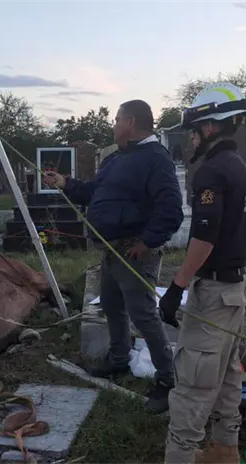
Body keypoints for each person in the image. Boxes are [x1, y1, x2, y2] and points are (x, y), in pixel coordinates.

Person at [42, 99, 183, 413]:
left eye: (117, 119)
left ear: (131, 122)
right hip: (110, 250)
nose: (114, 124)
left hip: (134, 252)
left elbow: (171, 209)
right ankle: (119, 359)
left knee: (144, 315)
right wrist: (65, 183)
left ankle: (168, 378)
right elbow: (95, 192)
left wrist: (146, 243)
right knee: (111, 305)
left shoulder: (155, 159)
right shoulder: (117, 158)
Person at [157, 82, 246, 464]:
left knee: (194, 384)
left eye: (192, 131)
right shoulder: (240, 167)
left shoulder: (211, 172)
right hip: (235, 288)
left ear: (210, 128)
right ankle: (224, 450)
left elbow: (203, 238)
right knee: (229, 375)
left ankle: (179, 457)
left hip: (214, 292)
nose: (190, 139)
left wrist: (176, 286)